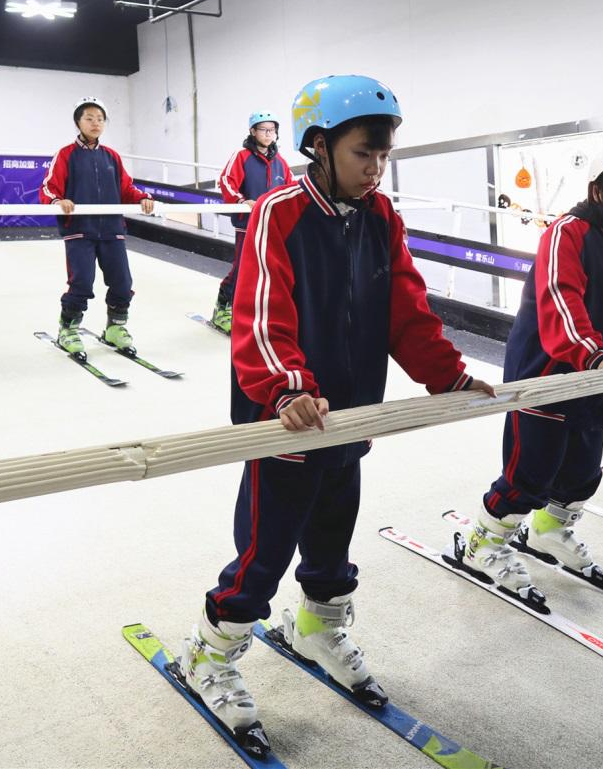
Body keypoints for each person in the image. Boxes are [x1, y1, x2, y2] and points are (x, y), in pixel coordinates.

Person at [179, 75, 494, 754]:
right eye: (363, 153)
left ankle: (318, 626)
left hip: (352, 416)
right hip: (287, 418)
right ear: (318, 146)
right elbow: (261, 311)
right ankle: (211, 647)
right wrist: (288, 386)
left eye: (384, 155)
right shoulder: (279, 211)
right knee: (266, 546)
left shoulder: (381, 216)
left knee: (332, 532)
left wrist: (449, 373)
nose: (376, 168)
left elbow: (406, 306)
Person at [460, 144, 603, 593]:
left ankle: (549, 530)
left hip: (602, 381)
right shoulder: (568, 233)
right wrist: (596, 354)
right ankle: (484, 542)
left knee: (583, 472)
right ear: (597, 190)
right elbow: (562, 301)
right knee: (530, 473)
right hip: (550, 377)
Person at [41, 96, 154, 357]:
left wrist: (143, 198)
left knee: (122, 283)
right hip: (80, 229)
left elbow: (126, 188)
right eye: (89, 118)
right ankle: (68, 329)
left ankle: (115, 327)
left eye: (100, 119)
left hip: (112, 229)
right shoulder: (66, 154)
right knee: (82, 282)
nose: (95, 123)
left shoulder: (111, 156)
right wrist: (58, 200)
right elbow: (48, 186)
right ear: (78, 122)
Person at [211, 110, 294, 334]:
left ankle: (259, 312)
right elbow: (226, 181)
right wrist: (240, 200)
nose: (268, 134)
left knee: (271, 271)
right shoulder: (242, 156)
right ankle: (222, 309)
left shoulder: (281, 163)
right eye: (263, 130)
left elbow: (289, 191)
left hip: (273, 227)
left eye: (272, 130)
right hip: (246, 224)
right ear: (253, 132)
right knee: (242, 270)